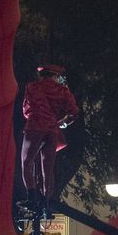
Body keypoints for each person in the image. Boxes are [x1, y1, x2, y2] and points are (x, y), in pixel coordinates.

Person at [20, 63, 78, 216]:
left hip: (34, 127)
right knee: (48, 167)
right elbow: (73, 112)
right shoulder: (63, 91)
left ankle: (32, 196)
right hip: (52, 129)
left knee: (27, 162)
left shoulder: (32, 87)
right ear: (55, 76)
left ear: (42, 74)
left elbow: (26, 110)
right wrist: (61, 122)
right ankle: (48, 201)